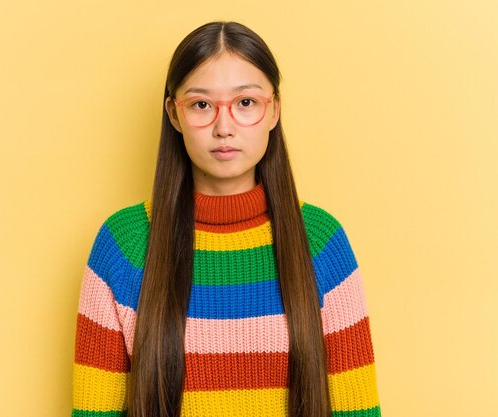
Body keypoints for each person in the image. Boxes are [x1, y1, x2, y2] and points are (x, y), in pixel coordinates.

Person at [72, 21, 381, 417]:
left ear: (275, 110)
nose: (224, 127)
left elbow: (358, 408)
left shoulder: (321, 242)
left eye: (246, 103)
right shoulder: (123, 244)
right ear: (173, 113)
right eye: (201, 105)